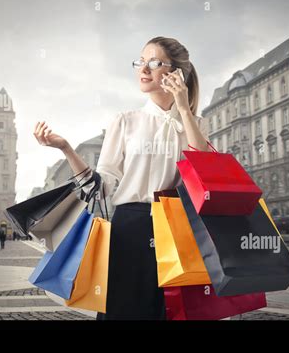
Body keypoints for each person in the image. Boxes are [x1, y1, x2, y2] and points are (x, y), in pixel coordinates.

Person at [34, 36, 210, 320]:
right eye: (141, 61)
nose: (144, 69)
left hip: (178, 229)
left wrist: (184, 108)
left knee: (172, 313)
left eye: (154, 62)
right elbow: (101, 187)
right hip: (132, 228)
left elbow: (202, 169)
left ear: (177, 73)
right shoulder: (125, 121)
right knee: (125, 310)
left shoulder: (194, 124)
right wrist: (66, 148)